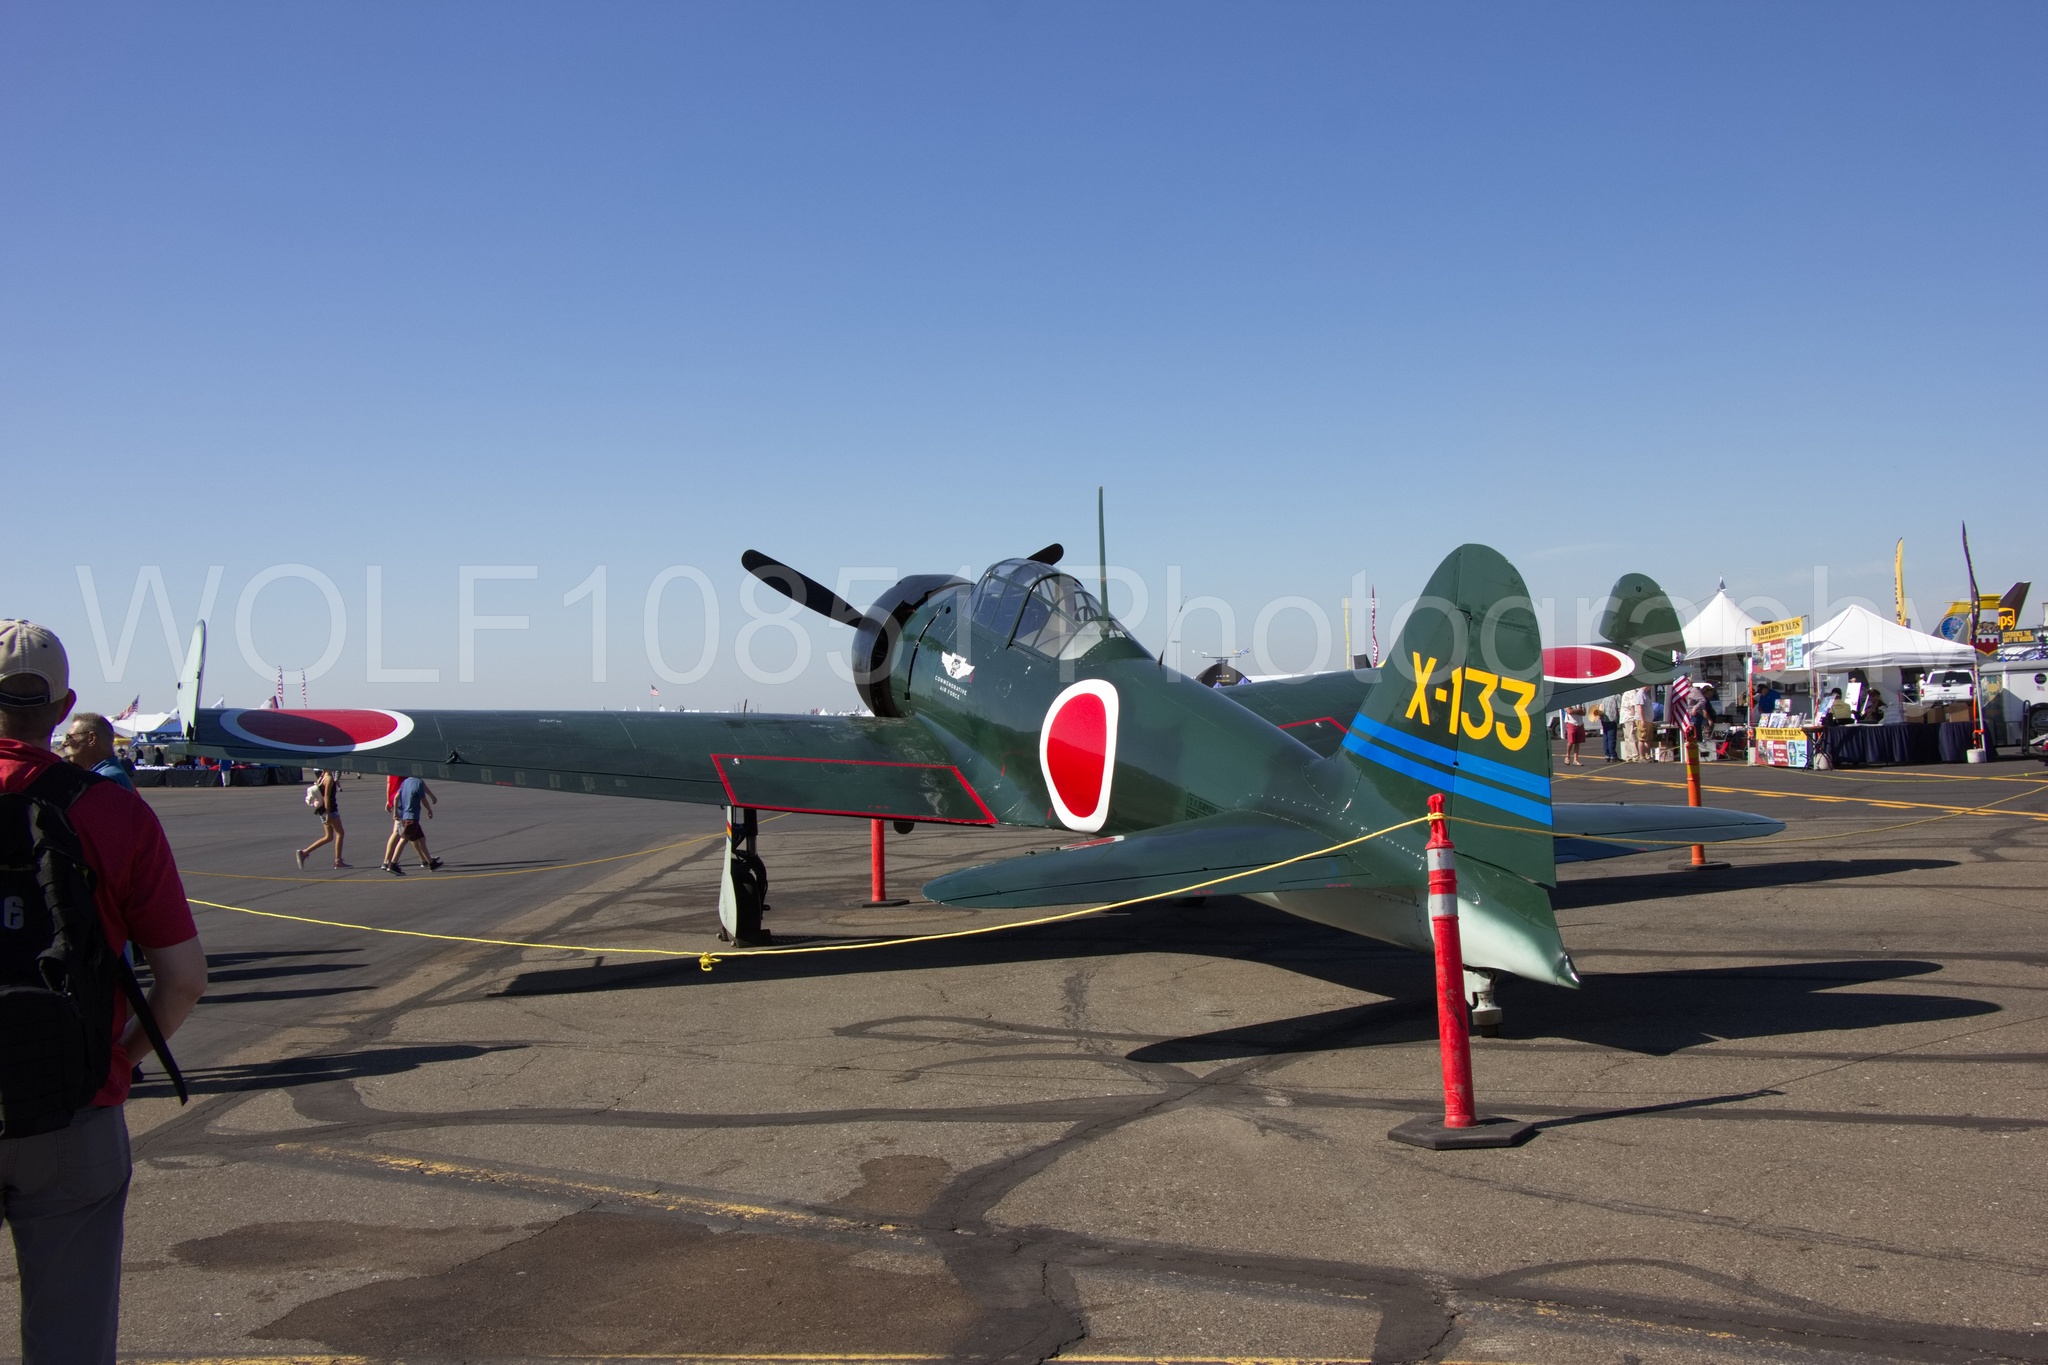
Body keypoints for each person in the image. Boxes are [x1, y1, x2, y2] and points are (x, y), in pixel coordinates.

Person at [0, 620, 207, 1363]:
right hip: (73, 1102)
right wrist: (116, 1057)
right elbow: (182, 979)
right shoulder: (115, 811)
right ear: (64, 705)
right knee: (69, 1338)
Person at [60, 713, 134, 792]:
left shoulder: (105, 779)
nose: (64, 743)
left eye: (69, 737)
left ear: (91, 738)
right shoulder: (108, 774)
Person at [384, 775, 442, 875]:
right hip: (412, 817)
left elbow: (396, 797)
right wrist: (429, 810)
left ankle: (431, 863)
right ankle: (393, 864)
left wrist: (395, 812)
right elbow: (423, 799)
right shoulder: (418, 782)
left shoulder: (405, 782)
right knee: (404, 839)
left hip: (406, 815)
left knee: (421, 839)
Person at [296, 769, 347, 869]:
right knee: (340, 833)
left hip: (322, 810)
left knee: (328, 836)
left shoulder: (322, 777)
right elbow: (326, 797)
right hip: (330, 810)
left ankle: (305, 852)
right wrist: (328, 814)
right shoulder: (328, 779)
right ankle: (338, 861)